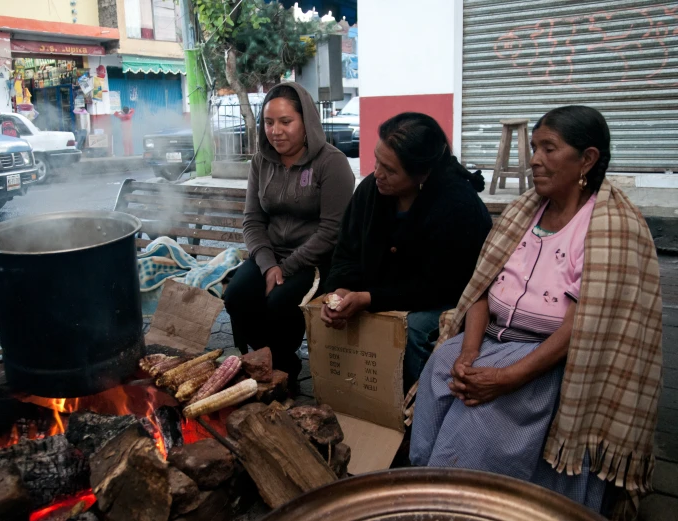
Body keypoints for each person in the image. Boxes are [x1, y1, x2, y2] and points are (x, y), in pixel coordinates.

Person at [409, 106, 663, 515]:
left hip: (546, 359)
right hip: (490, 340)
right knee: (441, 371)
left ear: (588, 159)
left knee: (477, 419)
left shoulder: (610, 226)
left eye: (549, 148)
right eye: (533, 147)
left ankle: (466, 506)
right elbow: (481, 287)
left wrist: (508, 378)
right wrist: (469, 353)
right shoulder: (524, 211)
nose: (534, 159)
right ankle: (430, 493)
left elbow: (583, 325)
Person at [321, 113, 492, 391]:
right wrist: (340, 289)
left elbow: (439, 286)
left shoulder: (457, 207)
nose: (377, 173)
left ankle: (414, 407)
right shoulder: (372, 191)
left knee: (413, 330)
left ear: (422, 174)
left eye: (389, 169)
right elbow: (347, 249)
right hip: (381, 292)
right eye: (377, 161)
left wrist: (369, 298)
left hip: (443, 298)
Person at [223, 82, 355, 382]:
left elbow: (332, 230)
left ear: (305, 121)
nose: (276, 131)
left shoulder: (331, 163)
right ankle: (269, 362)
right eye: (268, 122)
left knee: (279, 304)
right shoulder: (261, 161)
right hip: (271, 256)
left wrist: (287, 267)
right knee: (237, 295)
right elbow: (252, 221)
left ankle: (282, 370)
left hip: (315, 260)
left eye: (286, 121)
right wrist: (269, 264)